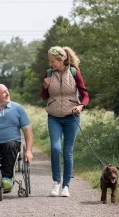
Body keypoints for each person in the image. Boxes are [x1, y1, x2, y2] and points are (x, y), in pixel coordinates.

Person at [40, 46, 89, 197]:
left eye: (53, 61)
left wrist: (81, 106)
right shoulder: (49, 74)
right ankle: (56, 183)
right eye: (50, 61)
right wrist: (45, 86)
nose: (51, 64)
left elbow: (85, 95)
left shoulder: (74, 73)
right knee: (55, 149)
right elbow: (43, 97)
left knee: (67, 152)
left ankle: (66, 186)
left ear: (61, 60)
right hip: (54, 117)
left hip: (71, 117)